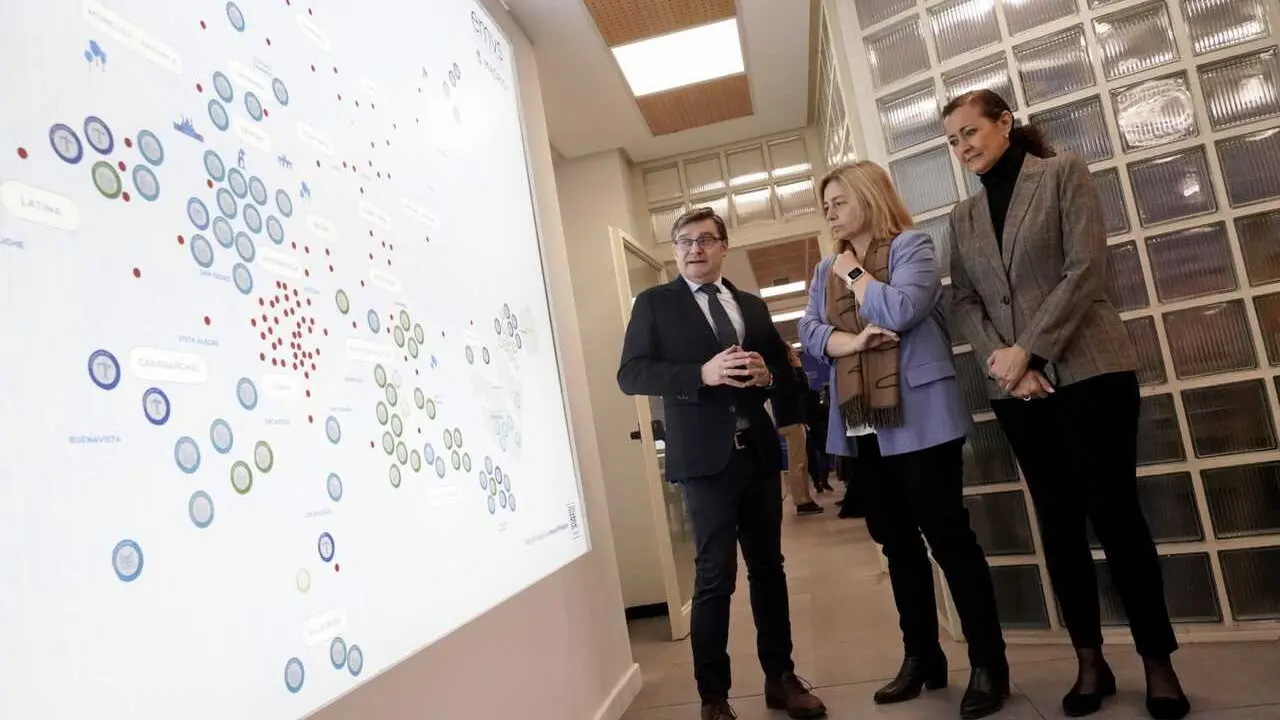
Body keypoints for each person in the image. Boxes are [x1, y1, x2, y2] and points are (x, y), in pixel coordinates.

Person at [941, 89, 1189, 720]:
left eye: (971, 131)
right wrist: (1004, 360)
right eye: (952, 139)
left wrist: (1031, 351)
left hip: (1090, 372)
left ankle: (1157, 661)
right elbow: (965, 300)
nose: (963, 146)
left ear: (1004, 125)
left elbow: (1085, 269)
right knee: (1056, 523)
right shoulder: (960, 217)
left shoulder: (1061, 173)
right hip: (1017, 391)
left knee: (1117, 517)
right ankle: (1089, 660)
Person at [798, 161, 1009, 719]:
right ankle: (922, 658)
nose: (831, 212)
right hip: (863, 421)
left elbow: (902, 309)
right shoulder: (827, 268)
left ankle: (989, 663)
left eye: (839, 200)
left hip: (921, 421)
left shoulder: (912, 248)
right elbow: (810, 334)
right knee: (896, 546)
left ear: (869, 196)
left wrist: (855, 277)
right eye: (826, 205)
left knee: (949, 541)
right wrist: (853, 341)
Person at [617, 207, 827, 720]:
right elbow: (632, 373)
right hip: (704, 460)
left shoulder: (750, 306)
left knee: (769, 569)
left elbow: (780, 365)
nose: (694, 249)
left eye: (705, 240)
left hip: (756, 453)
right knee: (715, 576)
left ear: (724, 246)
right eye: (684, 241)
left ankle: (781, 678)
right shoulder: (654, 304)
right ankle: (714, 697)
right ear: (675, 250)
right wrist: (701, 373)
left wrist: (766, 376)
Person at [775, 343, 824, 516]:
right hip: (792, 421)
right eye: (792, 351)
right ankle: (802, 501)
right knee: (798, 463)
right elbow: (802, 387)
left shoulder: (779, 371)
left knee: (800, 461)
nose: (796, 352)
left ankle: (804, 498)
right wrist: (798, 367)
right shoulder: (785, 371)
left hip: (789, 420)